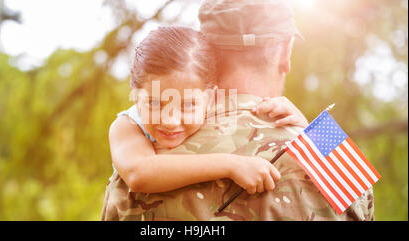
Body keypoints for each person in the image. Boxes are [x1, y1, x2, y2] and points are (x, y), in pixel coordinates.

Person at [101, 0, 374, 221]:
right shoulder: (335, 153)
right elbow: (363, 203)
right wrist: (305, 131)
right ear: (284, 54)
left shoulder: (139, 166)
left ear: (205, 54)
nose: (171, 120)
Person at [109, 26, 308, 198]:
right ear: (136, 97)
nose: (170, 120)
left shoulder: (224, 111)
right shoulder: (127, 125)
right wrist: (232, 165)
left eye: (187, 105)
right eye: (154, 103)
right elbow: (139, 174)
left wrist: (302, 125)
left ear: (210, 99)